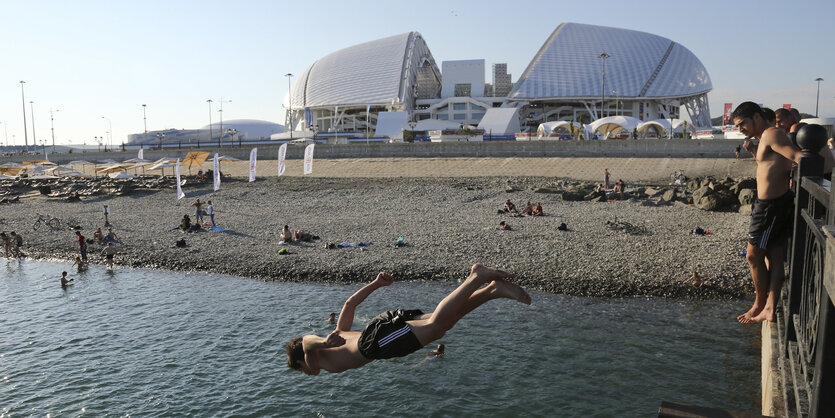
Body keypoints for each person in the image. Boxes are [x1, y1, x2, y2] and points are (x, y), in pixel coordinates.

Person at [285, 264, 531, 375]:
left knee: (436, 326)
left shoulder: (313, 355)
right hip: (378, 333)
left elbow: (307, 342)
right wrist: (375, 284)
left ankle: (475, 277)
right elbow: (350, 304)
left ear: (300, 361)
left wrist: (321, 344)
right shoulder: (340, 334)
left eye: (300, 370)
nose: (306, 374)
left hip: (375, 343)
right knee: (442, 325)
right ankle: (492, 290)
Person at [734, 102, 802, 323]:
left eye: (742, 123)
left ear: (756, 117)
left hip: (770, 207)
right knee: (774, 256)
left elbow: (799, 157)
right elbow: (773, 164)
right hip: (771, 205)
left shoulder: (772, 134)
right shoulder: (764, 138)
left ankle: (759, 305)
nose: (740, 129)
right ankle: (769, 309)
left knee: (753, 256)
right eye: (737, 125)